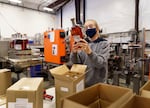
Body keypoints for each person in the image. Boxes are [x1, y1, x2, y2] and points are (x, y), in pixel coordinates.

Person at [70, 19, 110, 87]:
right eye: (86, 27)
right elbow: (76, 63)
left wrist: (90, 52)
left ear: (97, 28)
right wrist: (74, 53)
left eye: (91, 26)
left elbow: (100, 64)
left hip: (99, 83)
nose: (88, 29)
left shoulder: (104, 43)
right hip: (84, 82)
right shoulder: (82, 43)